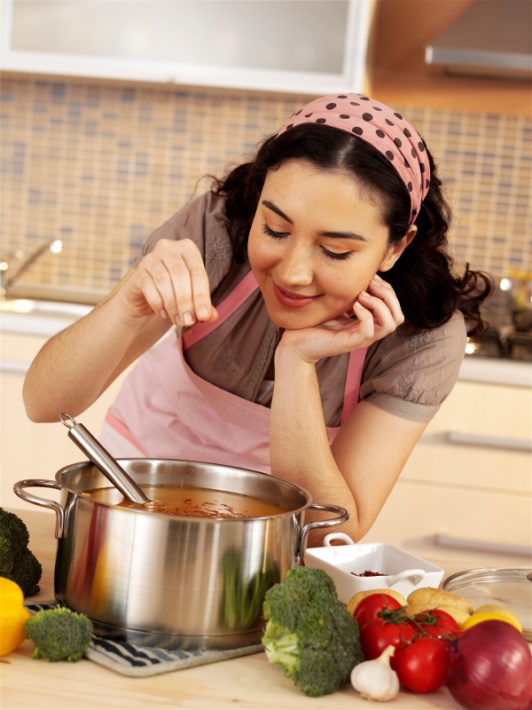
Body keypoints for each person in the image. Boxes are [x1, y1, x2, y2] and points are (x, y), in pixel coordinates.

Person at [23, 93, 491, 543]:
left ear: (396, 246)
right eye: (275, 229)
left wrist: (298, 361)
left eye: (335, 250)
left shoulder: (423, 338)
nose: (292, 272)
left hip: (267, 550)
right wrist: (129, 301)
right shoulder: (214, 235)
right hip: (128, 506)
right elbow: (43, 404)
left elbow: (333, 529)